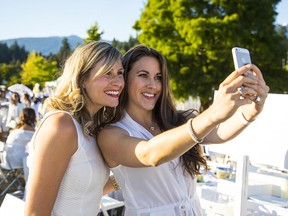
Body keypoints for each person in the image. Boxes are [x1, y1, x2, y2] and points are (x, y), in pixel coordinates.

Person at [97, 44, 269, 215]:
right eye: (143, 75)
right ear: (125, 79)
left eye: (158, 77)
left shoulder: (177, 120)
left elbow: (218, 133)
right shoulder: (111, 134)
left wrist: (249, 113)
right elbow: (150, 154)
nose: (153, 85)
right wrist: (213, 113)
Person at [24, 41, 125, 216]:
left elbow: (83, 190)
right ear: (82, 78)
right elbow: (35, 213)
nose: (117, 82)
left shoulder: (91, 127)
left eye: (120, 73)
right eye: (107, 73)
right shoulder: (61, 125)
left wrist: (124, 177)